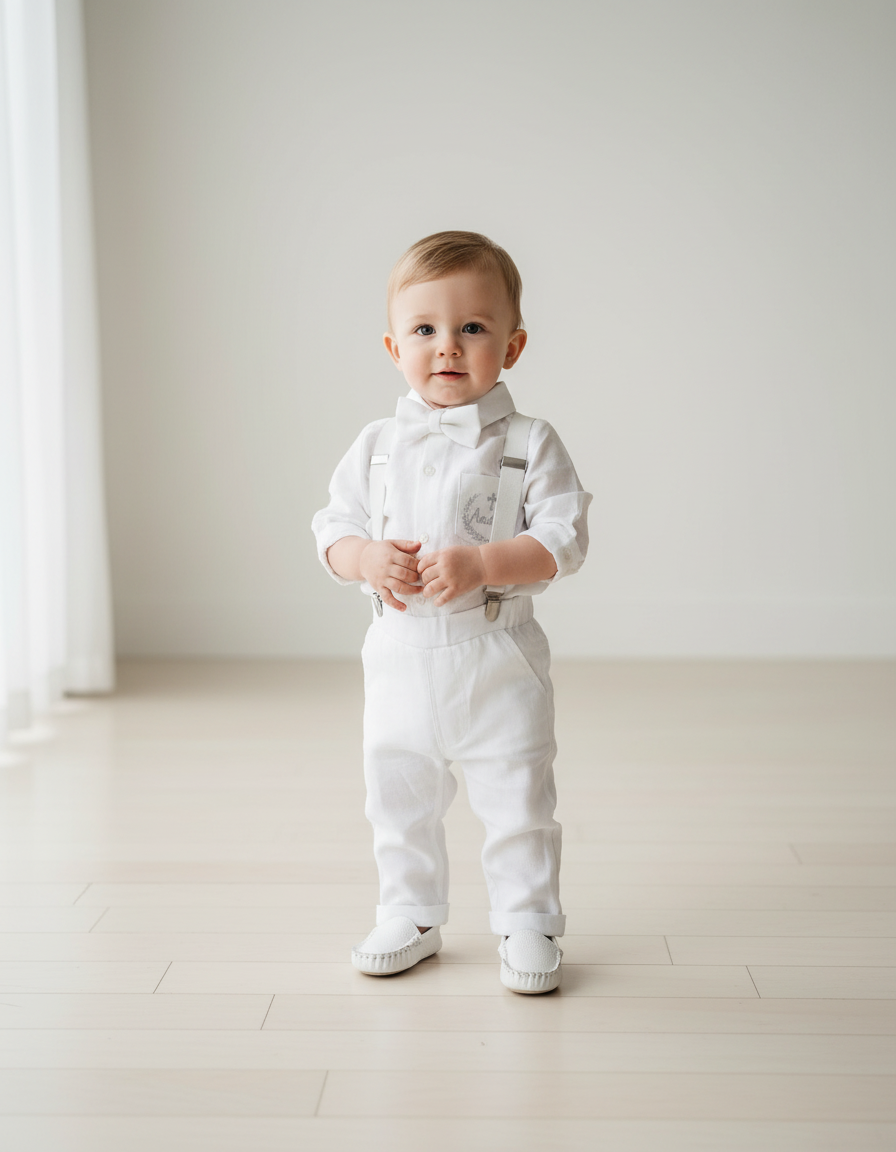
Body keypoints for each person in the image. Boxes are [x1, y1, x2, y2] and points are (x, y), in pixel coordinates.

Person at [311, 231, 590, 993]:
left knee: (517, 794)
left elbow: (563, 538)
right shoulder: (375, 445)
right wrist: (365, 558)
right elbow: (332, 528)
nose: (447, 346)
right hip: (398, 655)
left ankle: (528, 919)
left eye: (472, 327)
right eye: (425, 329)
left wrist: (485, 564)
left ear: (512, 345)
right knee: (396, 794)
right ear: (394, 346)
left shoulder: (530, 442)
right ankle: (410, 911)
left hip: (496, 653)